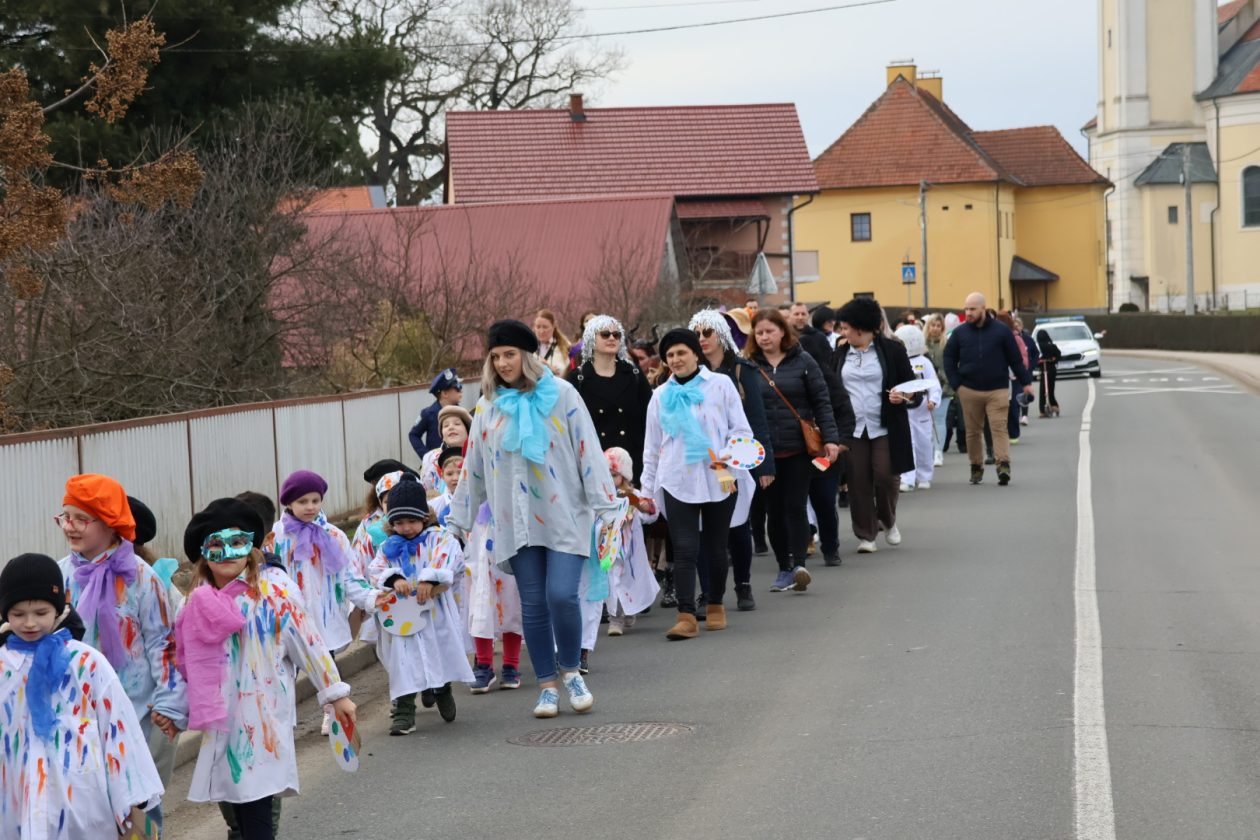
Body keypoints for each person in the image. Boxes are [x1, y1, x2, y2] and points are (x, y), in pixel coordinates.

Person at [450, 319, 618, 718]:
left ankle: (572, 672)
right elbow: (474, 465)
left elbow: (587, 450)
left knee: (561, 594)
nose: (504, 363)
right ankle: (546, 685)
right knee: (533, 603)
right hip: (515, 519)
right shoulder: (489, 406)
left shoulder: (562, 395)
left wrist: (607, 508)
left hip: (563, 514)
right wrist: (459, 521)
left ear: (526, 356)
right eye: (496, 356)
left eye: (510, 354)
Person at [179, 498, 355, 840]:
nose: (228, 552)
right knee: (237, 808)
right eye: (216, 544)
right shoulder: (193, 603)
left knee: (258, 807)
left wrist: (335, 694)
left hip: (263, 720)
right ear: (203, 553)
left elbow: (311, 645)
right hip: (221, 723)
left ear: (252, 546)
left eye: (237, 542)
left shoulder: (273, 595)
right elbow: (181, 660)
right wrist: (173, 710)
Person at [55, 473, 187, 835]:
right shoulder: (60, 578)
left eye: (81, 518)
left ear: (112, 525)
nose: (70, 526)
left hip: (140, 718)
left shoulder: (141, 579)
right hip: (81, 721)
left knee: (140, 816)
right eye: (65, 517)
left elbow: (165, 642)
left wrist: (170, 704)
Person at [0, 552, 165, 839]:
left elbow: (118, 731)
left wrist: (133, 801)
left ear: (60, 606)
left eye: (41, 613)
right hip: (15, 805)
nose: (29, 623)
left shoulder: (87, 664)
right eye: (17, 614)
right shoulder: (3, 668)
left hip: (81, 811)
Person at [641, 328, 754, 638]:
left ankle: (715, 603)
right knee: (685, 547)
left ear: (695, 354)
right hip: (678, 479)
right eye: (670, 355)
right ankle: (686, 615)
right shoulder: (660, 396)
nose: (676, 359)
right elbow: (652, 447)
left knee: (717, 547)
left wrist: (727, 454)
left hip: (719, 477)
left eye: (681, 352)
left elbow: (741, 430)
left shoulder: (720, 385)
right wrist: (646, 490)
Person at [264, 470, 375, 734]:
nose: (310, 507)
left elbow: (349, 575)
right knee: (285, 672)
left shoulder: (333, 535)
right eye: (303, 502)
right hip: (287, 618)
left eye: (315, 500)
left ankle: (331, 712)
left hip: (324, 617)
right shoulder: (276, 537)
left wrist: (371, 598)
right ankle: (283, 720)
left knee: (326, 664)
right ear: (289, 502)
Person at [745, 309, 841, 592]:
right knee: (773, 510)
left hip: (799, 448)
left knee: (795, 505)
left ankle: (799, 564)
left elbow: (822, 401)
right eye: (759, 332)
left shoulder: (803, 360)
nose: (764, 337)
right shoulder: (748, 365)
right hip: (765, 453)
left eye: (769, 331)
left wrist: (831, 439)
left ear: (783, 332)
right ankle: (784, 566)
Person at [368, 475, 472, 735]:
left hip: (434, 610)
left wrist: (430, 578)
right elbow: (376, 569)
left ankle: (442, 688)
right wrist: (393, 578)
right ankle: (404, 711)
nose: (406, 528)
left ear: (424, 517)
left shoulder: (439, 537)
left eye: (412, 521)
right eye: (399, 522)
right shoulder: (389, 546)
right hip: (404, 615)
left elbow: (450, 559)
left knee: (439, 649)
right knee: (404, 659)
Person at [690, 309, 776, 611]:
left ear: (721, 335)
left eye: (707, 333)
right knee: (702, 530)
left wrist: (762, 465)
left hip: (734, 460)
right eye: (697, 333)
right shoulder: (689, 373)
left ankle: (743, 583)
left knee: (737, 526)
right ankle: (708, 593)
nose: (702, 339)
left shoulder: (741, 370)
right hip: (700, 463)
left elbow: (756, 420)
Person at [833, 298, 920, 553]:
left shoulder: (892, 350)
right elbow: (831, 391)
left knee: (885, 476)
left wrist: (904, 396)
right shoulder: (838, 355)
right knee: (858, 481)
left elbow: (912, 387)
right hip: (852, 429)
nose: (843, 332)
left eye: (846, 327)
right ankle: (866, 535)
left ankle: (888, 520)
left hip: (885, 424)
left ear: (861, 328)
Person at [943, 293, 1033, 486]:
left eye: (972, 309)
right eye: (966, 309)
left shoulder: (1001, 331)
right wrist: (956, 383)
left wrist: (1026, 382)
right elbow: (949, 358)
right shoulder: (960, 333)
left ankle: (1003, 465)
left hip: (997, 389)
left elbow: (1015, 360)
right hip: (969, 389)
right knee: (972, 432)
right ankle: (976, 466)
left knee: (999, 428)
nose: (968, 313)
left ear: (983, 309)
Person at [567, 314, 653, 482]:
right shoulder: (578, 378)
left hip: (632, 462)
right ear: (592, 338)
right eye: (605, 334)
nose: (612, 338)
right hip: (594, 462)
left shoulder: (633, 374)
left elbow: (649, 416)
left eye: (617, 335)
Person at [601, 447, 661, 635]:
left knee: (629, 581)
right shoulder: (600, 497)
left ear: (624, 476)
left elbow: (651, 515)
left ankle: (629, 610)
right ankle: (615, 619)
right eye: (606, 475)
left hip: (630, 550)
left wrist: (644, 507)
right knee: (612, 580)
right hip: (608, 548)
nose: (610, 480)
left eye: (614, 475)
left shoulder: (632, 495)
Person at [894, 324, 942, 492]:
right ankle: (907, 478)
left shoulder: (924, 362)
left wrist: (934, 400)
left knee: (923, 445)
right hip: (903, 410)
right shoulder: (897, 361)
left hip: (921, 410)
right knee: (907, 445)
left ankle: (924, 476)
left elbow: (934, 384)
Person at [408, 367, 463, 459]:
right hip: (436, 465)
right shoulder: (428, 413)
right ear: (445, 393)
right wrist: (427, 456)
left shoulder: (461, 412)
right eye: (457, 387)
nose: (461, 390)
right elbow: (413, 435)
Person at [922, 313, 954, 466]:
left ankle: (938, 452)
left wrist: (948, 385)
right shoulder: (921, 345)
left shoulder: (946, 344)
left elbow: (950, 367)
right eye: (932, 325)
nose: (935, 328)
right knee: (926, 422)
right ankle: (928, 451)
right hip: (923, 389)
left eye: (938, 325)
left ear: (942, 328)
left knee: (940, 420)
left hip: (944, 388)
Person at [420, 404, 472, 494]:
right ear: (442, 435)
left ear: (468, 431)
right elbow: (426, 492)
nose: (451, 427)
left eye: (457, 424)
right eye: (446, 426)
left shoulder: (477, 455)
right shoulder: (430, 459)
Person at [1013, 317, 1041, 426]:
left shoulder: (1028, 339)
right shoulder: (1010, 339)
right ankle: (1017, 414)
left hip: (1026, 371)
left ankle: (1024, 415)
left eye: (1018, 325)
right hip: (1014, 372)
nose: (1017, 328)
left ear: (1022, 326)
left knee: (1025, 392)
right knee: (1016, 393)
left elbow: (1035, 353)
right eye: (1014, 326)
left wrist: (1031, 365)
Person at [532, 308, 573, 377]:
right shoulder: (529, 347)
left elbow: (570, 372)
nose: (541, 331)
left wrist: (552, 370)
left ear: (553, 327)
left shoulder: (566, 346)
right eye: (538, 327)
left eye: (545, 327)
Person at [1036, 329, 1062, 417]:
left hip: (1047, 368)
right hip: (1046, 368)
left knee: (1046, 389)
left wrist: (1053, 359)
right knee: (1048, 389)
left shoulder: (1048, 346)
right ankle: (1048, 407)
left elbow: (1058, 355)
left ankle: (1047, 408)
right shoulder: (1048, 346)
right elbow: (1058, 355)